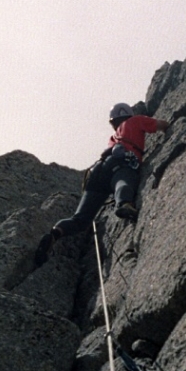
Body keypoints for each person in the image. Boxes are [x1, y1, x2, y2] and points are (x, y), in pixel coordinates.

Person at [34, 103, 169, 266]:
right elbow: (162, 125)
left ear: (114, 122)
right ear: (128, 114)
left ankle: (55, 234)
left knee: (81, 220)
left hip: (98, 171)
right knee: (124, 181)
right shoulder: (135, 121)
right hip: (123, 160)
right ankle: (124, 203)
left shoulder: (113, 139)